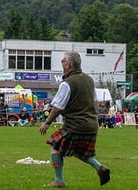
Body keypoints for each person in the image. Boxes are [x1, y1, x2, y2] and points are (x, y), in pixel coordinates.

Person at [39, 51, 111, 188]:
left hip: (75, 125)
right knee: (79, 152)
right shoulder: (89, 80)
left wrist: (47, 123)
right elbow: (96, 102)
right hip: (92, 125)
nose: (61, 63)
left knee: (55, 146)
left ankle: (58, 180)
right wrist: (93, 119)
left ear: (68, 65)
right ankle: (100, 168)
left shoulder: (67, 83)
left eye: (62, 61)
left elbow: (57, 107)